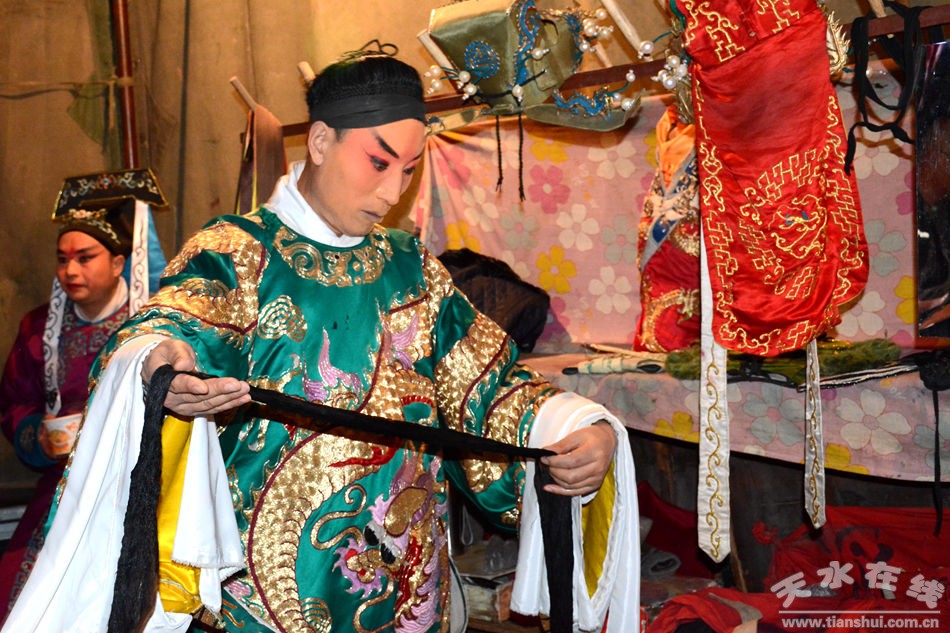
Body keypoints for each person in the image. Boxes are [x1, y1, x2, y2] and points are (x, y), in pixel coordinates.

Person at [3, 46, 638, 633]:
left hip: (408, 587)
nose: (393, 192)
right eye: (379, 162)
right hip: (268, 601)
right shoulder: (239, 254)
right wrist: (157, 363)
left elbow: (486, 385)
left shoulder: (412, 267)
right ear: (322, 140)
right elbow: (174, 324)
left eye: (410, 169)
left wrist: (575, 426)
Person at [0, 191, 162, 623]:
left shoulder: (152, 322)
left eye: (85, 258)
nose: (70, 270)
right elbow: (15, 400)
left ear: (118, 262)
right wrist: (38, 435)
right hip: (64, 486)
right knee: (20, 595)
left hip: (138, 485)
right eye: (62, 259)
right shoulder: (40, 327)